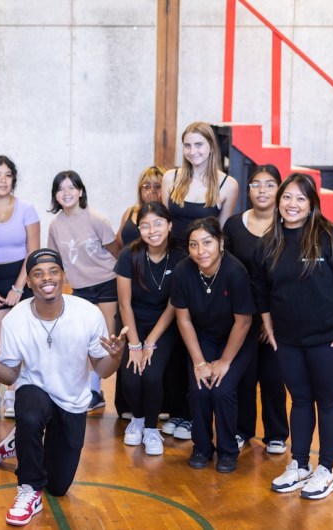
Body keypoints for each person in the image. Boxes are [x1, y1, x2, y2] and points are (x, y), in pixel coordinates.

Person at [0, 248, 126, 526]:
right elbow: (10, 377)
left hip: (72, 401)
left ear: (63, 277)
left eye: (53, 271)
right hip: (35, 391)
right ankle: (28, 489)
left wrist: (116, 357)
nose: (47, 278)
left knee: (58, 486)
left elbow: (103, 370)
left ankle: (19, 442)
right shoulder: (15, 320)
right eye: (38, 273)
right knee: (30, 414)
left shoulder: (87, 313)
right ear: (30, 282)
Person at [253, 172, 333, 500]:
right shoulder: (269, 242)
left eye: (300, 198)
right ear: (279, 202)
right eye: (287, 197)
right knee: (301, 401)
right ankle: (300, 464)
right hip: (289, 340)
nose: (292, 204)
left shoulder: (331, 237)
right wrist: (268, 325)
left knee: (328, 402)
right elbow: (260, 288)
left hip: (330, 339)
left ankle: (326, 470)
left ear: (311, 204)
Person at [171, 217, 256, 473]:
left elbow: (243, 321)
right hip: (203, 336)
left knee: (221, 389)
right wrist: (199, 362)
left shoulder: (235, 271)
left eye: (207, 243)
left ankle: (228, 450)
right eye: (194, 245)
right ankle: (202, 447)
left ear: (220, 243)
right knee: (199, 388)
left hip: (237, 337)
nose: (201, 251)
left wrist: (224, 361)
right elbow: (183, 318)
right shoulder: (183, 271)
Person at [223, 164, 289, 453]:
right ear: (247, 190)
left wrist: (269, 320)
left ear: (280, 189)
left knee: (273, 378)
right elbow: (226, 270)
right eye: (255, 184)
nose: (262, 190)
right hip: (241, 315)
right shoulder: (234, 225)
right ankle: (241, 429)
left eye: (269, 184)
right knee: (244, 377)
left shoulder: (289, 225)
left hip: (277, 317)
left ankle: (276, 434)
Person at [114, 202, 186, 455]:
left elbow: (173, 305)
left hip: (163, 324)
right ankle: (138, 419)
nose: (152, 230)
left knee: (153, 375)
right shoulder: (129, 255)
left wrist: (150, 341)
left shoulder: (179, 256)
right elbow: (124, 304)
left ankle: (152, 428)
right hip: (131, 322)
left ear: (169, 225)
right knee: (133, 377)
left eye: (158, 224)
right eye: (145, 225)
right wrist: (134, 344)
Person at [0, 155, 40, 419]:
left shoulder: (26, 209)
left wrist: (18, 287)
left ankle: (12, 393)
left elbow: (33, 251)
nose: (3, 180)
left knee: (18, 338)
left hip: (21, 277)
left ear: (14, 179)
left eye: (8, 175)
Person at [46, 170, 119, 411]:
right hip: (81, 288)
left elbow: (116, 251)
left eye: (71, 188)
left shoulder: (97, 219)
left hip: (107, 282)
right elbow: (54, 260)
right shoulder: (55, 225)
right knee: (84, 338)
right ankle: (92, 390)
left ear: (80, 191)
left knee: (106, 337)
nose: (66, 193)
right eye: (60, 189)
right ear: (55, 195)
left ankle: (96, 390)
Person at [162, 121, 238, 250]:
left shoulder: (229, 185)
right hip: (171, 254)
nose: (192, 151)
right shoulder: (170, 178)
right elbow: (164, 224)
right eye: (187, 146)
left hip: (203, 257)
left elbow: (220, 234)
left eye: (198, 145)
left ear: (212, 147)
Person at [111, 165, 166, 255]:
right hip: (130, 264)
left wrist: (152, 205)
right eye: (147, 186)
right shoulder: (130, 212)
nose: (151, 190)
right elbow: (119, 243)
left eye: (157, 186)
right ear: (140, 189)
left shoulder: (170, 214)